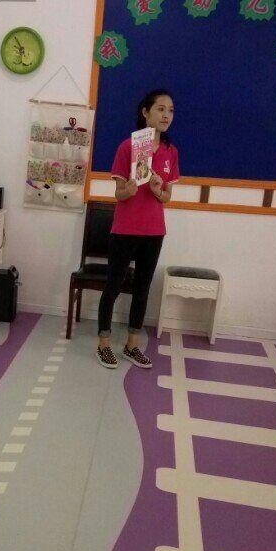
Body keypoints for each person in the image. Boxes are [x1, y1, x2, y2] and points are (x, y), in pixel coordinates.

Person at [97, 90, 180, 369]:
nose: (166, 115)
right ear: (145, 112)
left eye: (170, 110)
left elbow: (166, 197)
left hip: (154, 231)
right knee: (113, 285)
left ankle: (132, 346)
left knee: (142, 289)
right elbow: (119, 194)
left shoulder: (171, 151)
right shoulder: (128, 147)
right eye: (160, 109)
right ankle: (104, 345)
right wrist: (128, 190)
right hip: (125, 229)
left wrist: (157, 191)